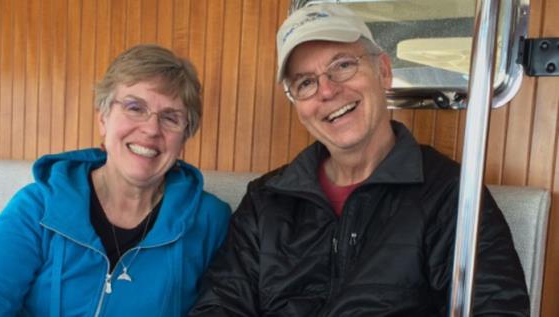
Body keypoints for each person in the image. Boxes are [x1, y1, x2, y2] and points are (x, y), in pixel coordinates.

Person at [189, 3, 529, 316]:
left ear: (382, 71)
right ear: (297, 104)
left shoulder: (449, 194)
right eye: (306, 82)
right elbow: (221, 304)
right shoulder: (266, 200)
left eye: (343, 65)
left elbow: (495, 308)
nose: (327, 90)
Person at [0, 44, 231, 316]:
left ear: (184, 137)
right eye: (135, 108)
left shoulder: (209, 221)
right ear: (103, 118)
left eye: (170, 117)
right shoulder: (39, 207)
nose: (151, 129)